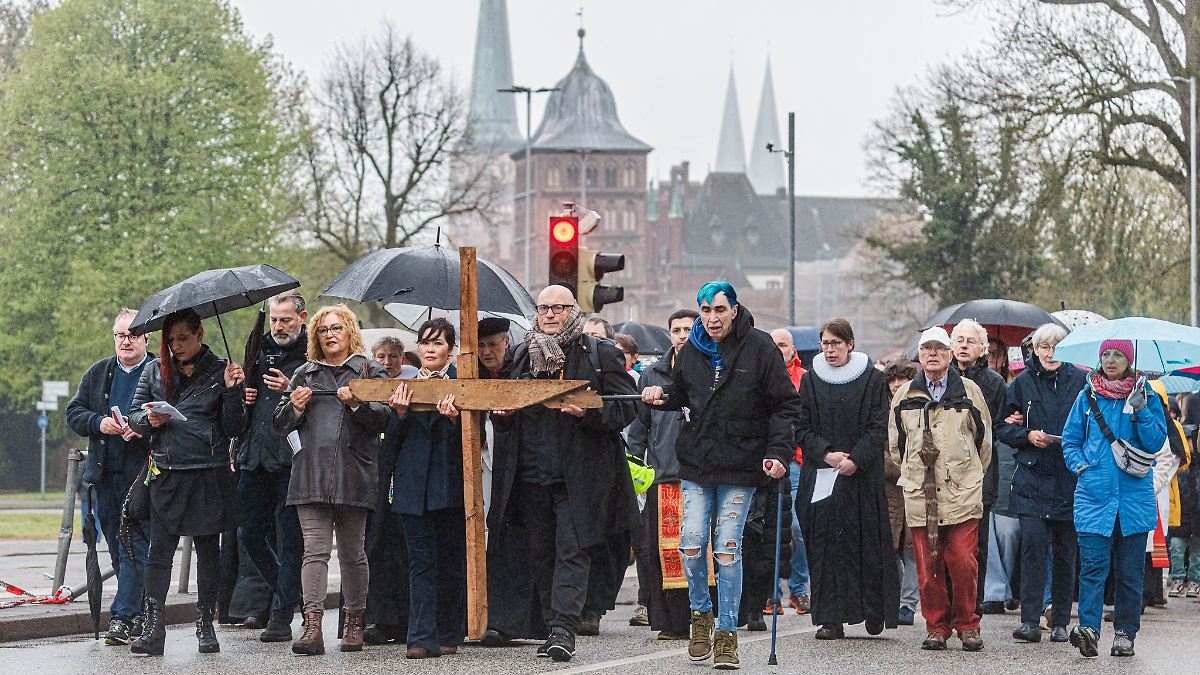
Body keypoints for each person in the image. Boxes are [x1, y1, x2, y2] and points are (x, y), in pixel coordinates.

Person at [641, 281, 800, 670]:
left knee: (728, 547)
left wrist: (777, 452)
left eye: (719, 309)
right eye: (705, 310)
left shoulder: (760, 347)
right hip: (697, 462)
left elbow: (784, 405)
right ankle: (701, 617)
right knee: (692, 541)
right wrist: (660, 394)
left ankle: (728, 632)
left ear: (733, 309)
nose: (712, 318)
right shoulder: (691, 348)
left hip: (742, 464)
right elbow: (684, 394)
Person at [495, 285, 639, 662]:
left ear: (573, 310)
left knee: (572, 551)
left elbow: (626, 409)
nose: (550, 314)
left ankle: (564, 630)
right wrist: (503, 416)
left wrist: (588, 414)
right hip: (531, 474)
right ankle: (550, 625)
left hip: (579, 477)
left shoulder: (599, 352)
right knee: (541, 554)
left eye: (558, 307)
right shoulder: (522, 352)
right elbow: (510, 409)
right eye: (543, 308)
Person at [126, 309, 247, 656]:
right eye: (170, 340)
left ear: (200, 334)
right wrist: (149, 419)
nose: (176, 346)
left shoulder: (221, 369)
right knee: (159, 552)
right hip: (167, 471)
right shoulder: (153, 369)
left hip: (208, 470)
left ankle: (205, 624)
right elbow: (134, 414)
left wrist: (232, 392)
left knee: (209, 552)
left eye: (183, 338)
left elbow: (236, 427)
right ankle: (153, 627)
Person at [273, 304, 390, 656]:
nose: (330, 335)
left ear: (350, 331)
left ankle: (355, 621)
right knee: (315, 551)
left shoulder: (371, 371)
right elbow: (280, 424)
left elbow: (384, 419)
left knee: (354, 553)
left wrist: (357, 404)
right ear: (315, 336)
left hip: (354, 473)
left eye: (337, 328)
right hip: (310, 474)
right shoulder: (304, 374)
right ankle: (312, 625)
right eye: (323, 330)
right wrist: (293, 406)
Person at [889, 326, 992, 653]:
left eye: (939, 348)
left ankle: (967, 624)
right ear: (919, 356)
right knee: (928, 565)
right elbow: (897, 445)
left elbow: (983, 441)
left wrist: (968, 474)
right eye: (926, 349)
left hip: (962, 492)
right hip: (921, 494)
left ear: (949, 354)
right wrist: (913, 470)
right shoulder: (904, 395)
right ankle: (936, 627)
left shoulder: (970, 391)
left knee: (963, 560)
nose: (932, 353)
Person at [1062, 339, 1167, 658]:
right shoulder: (1086, 396)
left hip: (1134, 501)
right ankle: (1090, 630)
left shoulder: (1146, 396)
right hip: (1094, 498)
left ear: (1129, 360)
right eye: (1105, 354)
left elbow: (1154, 443)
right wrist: (1082, 467)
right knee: (1092, 569)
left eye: (1118, 355)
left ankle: (1125, 633)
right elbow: (1070, 441)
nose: (1110, 360)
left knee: (1130, 573)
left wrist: (1141, 409)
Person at [795, 318, 898, 639]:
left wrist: (856, 458)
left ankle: (872, 610)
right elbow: (801, 426)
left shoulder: (870, 379)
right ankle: (830, 618)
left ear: (850, 344)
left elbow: (878, 426)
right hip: (824, 473)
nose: (830, 350)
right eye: (825, 344)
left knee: (866, 544)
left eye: (836, 344)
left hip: (861, 477)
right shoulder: (811, 382)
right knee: (826, 547)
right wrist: (826, 453)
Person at [65, 308, 154, 646]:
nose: (125, 341)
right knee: (118, 548)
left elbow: (171, 418)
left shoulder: (158, 372)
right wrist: (99, 423)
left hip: (143, 476)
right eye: (120, 335)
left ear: (146, 337)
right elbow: (74, 413)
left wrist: (141, 429)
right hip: (105, 473)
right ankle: (142, 608)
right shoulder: (98, 373)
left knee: (135, 544)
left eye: (132, 334)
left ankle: (122, 616)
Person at [995, 323, 1086, 644]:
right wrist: (1026, 435)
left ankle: (1060, 620)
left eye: (1056, 348)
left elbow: (1090, 425)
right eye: (1044, 347)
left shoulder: (1080, 381)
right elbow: (1001, 428)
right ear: (1034, 350)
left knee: (1065, 553)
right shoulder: (1021, 384)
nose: (1049, 354)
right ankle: (1030, 620)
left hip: (1068, 478)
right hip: (1032, 478)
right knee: (1032, 549)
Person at [385, 318, 467, 659]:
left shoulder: (462, 384)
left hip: (449, 488)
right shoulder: (405, 384)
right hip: (412, 489)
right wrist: (399, 415)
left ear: (451, 349)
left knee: (449, 561)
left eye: (438, 343)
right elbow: (390, 447)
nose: (430, 348)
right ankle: (419, 636)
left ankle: (449, 632)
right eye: (425, 342)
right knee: (420, 563)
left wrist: (454, 420)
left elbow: (473, 443)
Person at [235, 290, 308, 642]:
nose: (278, 326)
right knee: (247, 533)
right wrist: (240, 394)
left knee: (290, 538)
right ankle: (287, 592)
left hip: (292, 459)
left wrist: (289, 388)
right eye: (275, 319)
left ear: (302, 318)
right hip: (255, 456)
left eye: (286, 320)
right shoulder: (256, 348)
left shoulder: (312, 354)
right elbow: (238, 413)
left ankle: (281, 615)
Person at [627, 309, 699, 641]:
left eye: (689, 329)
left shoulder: (709, 370)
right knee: (661, 554)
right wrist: (638, 472)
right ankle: (670, 622)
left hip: (698, 477)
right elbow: (639, 429)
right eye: (676, 329)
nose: (682, 335)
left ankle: (702, 619)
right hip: (662, 477)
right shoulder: (652, 374)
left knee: (699, 552)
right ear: (669, 334)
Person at [949, 320, 1006, 616]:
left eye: (970, 341)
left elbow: (997, 427)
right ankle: (947, 608)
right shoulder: (939, 379)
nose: (963, 345)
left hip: (980, 473)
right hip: (944, 475)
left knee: (975, 545)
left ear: (982, 349)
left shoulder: (994, 383)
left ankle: (972, 608)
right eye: (958, 339)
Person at [362, 334, 413, 645]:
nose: (386, 362)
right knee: (372, 545)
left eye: (393, 357)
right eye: (381, 356)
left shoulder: (410, 386)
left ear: (402, 359)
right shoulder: (367, 386)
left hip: (398, 475)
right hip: (371, 474)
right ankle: (373, 617)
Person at [769, 328, 811, 617]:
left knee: (798, 527)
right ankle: (770, 593)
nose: (778, 349)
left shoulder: (805, 378)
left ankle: (799, 589)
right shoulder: (760, 374)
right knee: (769, 527)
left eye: (782, 345)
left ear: (792, 349)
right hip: (767, 459)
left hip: (797, 460)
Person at [880, 355, 919, 626]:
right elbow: (878, 451)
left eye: (902, 379)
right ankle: (893, 600)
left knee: (913, 549)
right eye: (892, 379)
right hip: (890, 491)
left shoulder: (922, 407)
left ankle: (908, 603)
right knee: (891, 547)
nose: (896, 384)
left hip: (917, 488)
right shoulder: (881, 410)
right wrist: (901, 468)